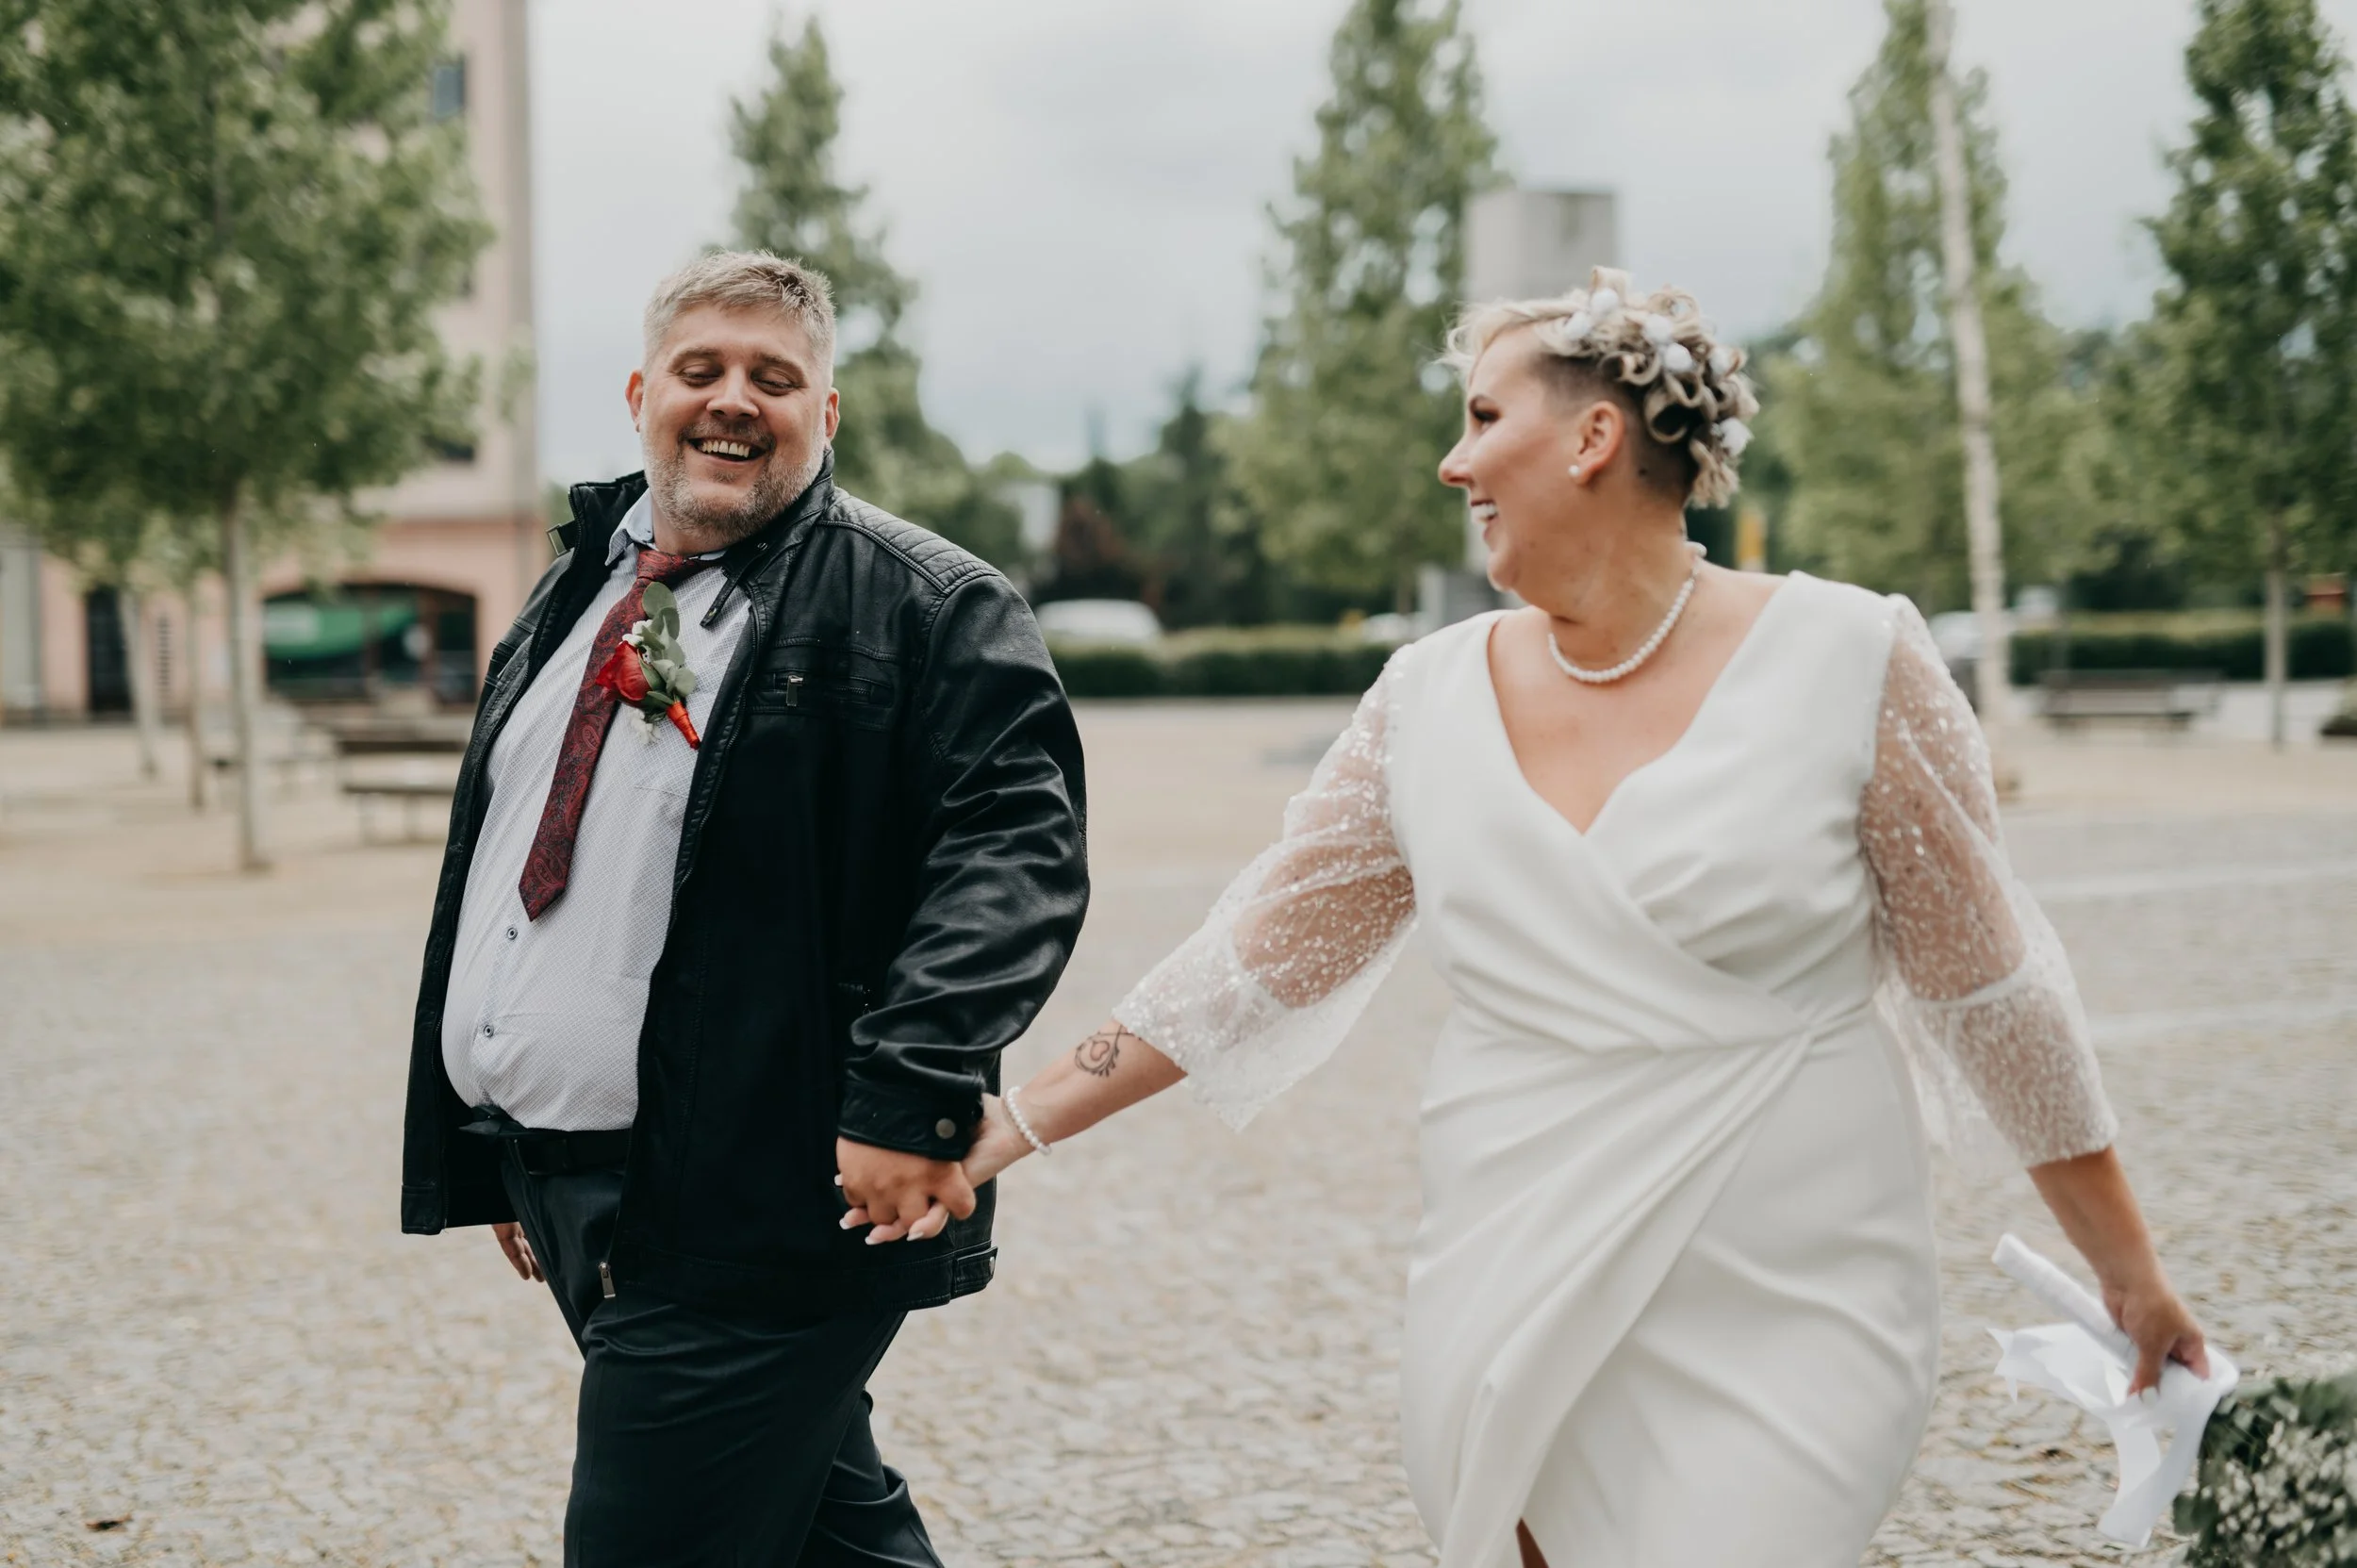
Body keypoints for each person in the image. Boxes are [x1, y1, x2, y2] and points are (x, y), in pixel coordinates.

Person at [857, 269, 2211, 1567]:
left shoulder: (1856, 658)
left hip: (1796, 1277)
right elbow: (1252, 961)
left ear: (1597, 437)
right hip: (1506, 1255)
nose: (1453, 464)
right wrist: (1000, 1130)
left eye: (1483, 417)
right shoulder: (1422, 699)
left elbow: (1996, 993)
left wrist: (2131, 1278)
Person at [398, 250, 1089, 1567]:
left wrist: (912, 1087)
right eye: (701, 369)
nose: (732, 400)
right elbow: (515, 864)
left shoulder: (929, 604)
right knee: (828, 1528)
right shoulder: (576, 588)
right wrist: (499, 1124)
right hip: (578, 1180)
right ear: (640, 392)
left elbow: (1018, 857)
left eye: (775, 377)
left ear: (825, 415)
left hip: (761, 1199)